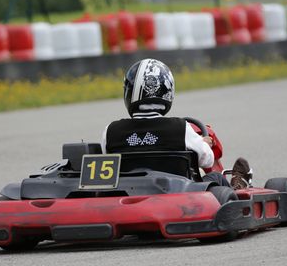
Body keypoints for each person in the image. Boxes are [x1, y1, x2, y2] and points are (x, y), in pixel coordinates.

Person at [101, 58, 252, 189]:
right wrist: (203, 143)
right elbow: (207, 160)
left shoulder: (110, 131)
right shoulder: (181, 128)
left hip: (124, 194)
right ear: (167, 92)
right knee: (216, 178)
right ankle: (237, 190)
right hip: (176, 195)